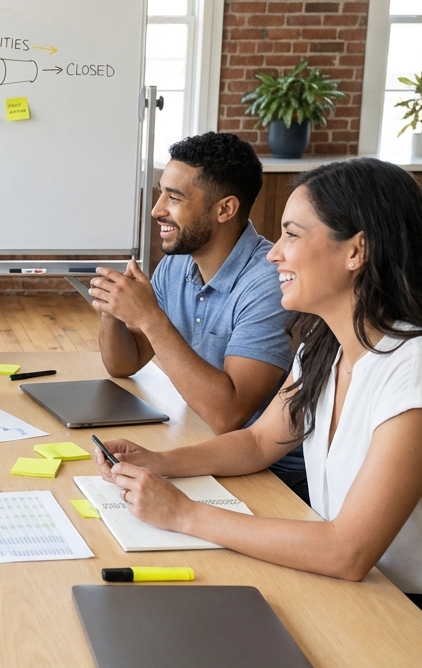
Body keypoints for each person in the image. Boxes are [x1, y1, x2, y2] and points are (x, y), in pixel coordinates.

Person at [93, 157, 422, 668]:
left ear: (356, 250)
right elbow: (261, 442)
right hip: (371, 600)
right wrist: (159, 462)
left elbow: (346, 551)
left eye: (292, 234)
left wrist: (186, 514)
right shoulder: (330, 344)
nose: (273, 253)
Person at [89, 132, 304, 499]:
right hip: (202, 444)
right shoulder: (177, 266)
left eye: (174, 197)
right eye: (161, 193)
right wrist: (115, 308)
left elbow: (228, 416)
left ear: (225, 209)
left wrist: (151, 318)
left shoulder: (268, 283)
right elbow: (123, 364)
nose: (157, 209)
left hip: (273, 477)